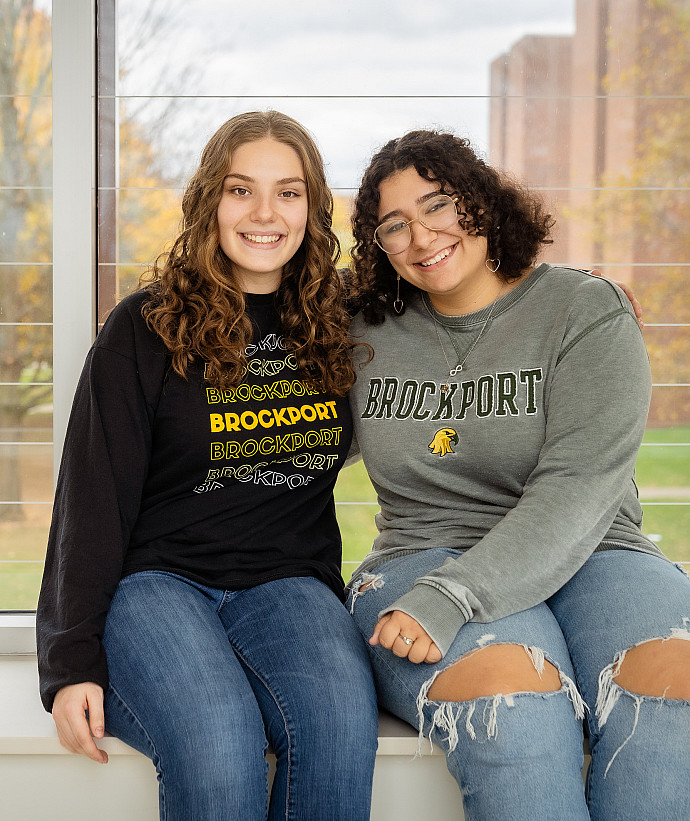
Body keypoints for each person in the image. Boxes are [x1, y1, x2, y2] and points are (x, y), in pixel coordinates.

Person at [36, 110, 378, 821]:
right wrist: (69, 667)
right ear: (207, 202)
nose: (264, 213)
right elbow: (89, 502)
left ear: (312, 207)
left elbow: (458, 290)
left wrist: (575, 289)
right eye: (239, 189)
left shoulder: (342, 317)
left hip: (289, 582)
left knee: (341, 732)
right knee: (220, 745)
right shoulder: (146, 325)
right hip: (159, 583)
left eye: (288, 192)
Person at [345, 128, 690, 820]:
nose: (421, 236)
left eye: (438, 204)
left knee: (676, 687)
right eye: (394, 225)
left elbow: (579, 487)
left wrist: (457, 596)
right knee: (514, 701)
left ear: (480, 199)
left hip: (596, 551)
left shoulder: (583, 312)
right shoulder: (361, 329)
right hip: (422, 558)